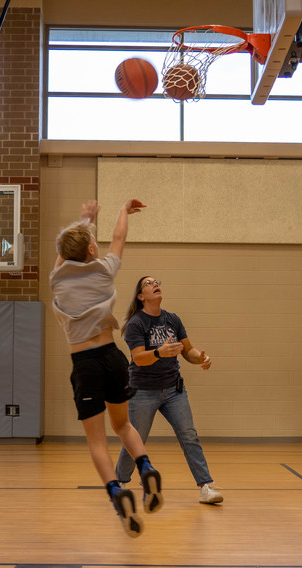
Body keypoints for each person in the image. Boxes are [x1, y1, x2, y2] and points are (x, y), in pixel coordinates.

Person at [50, 198, 163, 538]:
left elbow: (65, 255)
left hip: (84, 364)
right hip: (113, 356)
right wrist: (122, 212)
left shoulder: (57, 279)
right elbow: (118, 240)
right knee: (123, 425)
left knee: (97, 444)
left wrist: (83, 221)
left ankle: (117, 492)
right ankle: (146, 468)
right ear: (90, 248)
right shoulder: (104, 271)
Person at [115, 276, 224, 505]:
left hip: (173, 390)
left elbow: (188, 351)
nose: (155, 285)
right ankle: (120, 483)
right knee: (136, 439)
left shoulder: (172, 319)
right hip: (143, 391)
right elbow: (138, 358)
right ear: (140, 296)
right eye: (149, 283)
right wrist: (159, 353)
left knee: (189, 435)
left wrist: (201, 358)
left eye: (157, 282)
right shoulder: (136, 323)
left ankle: (206, 486)